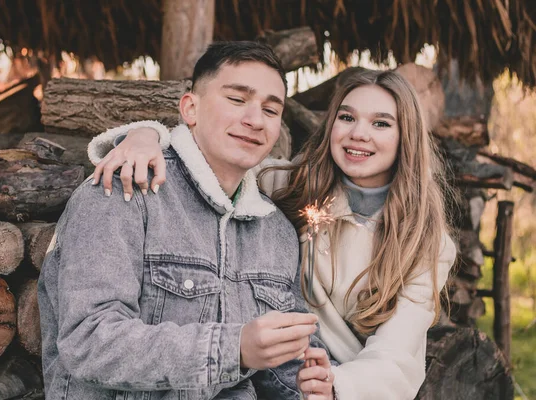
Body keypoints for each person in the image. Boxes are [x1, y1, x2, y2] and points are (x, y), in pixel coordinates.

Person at [88, 67, 458, 400]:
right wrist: (145, 135)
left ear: (405, 136)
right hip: (278, 370)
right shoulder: (291, 184)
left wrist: (337, 387)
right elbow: (216, 153)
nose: (358, 134)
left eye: (381, 123)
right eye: (347, 117)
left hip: (355, 385)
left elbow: (395, 353)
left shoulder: (424, 241)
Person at [38, 41, 337, 400]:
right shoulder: (122, 192)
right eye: (237, 99)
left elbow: (281, 366)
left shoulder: (275, 232)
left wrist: (310, 380)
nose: (255, 120)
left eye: (271, 110)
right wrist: (233, 348)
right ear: (190, 108)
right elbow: (88, 341)